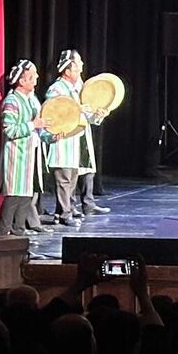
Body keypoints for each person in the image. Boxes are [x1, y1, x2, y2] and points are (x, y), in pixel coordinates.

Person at [41, 50, 105, 226]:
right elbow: (54, 113)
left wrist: (97, 114)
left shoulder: (77, 88)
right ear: (67, 71)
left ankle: (68, 209)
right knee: (64, 179)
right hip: (62, 140)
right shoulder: (57, 89)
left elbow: (86, 115)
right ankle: (64, 214)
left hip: (75, 141)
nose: (80, 69)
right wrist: (77, 109)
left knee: (71, 179)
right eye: (76, 67)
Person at [0, 60, 48, 236]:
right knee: (13, 198)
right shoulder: (12, 101)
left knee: (26, 197)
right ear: (22, 81)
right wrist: (32, 124)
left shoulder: (31, 100)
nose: (36, 78)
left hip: (29, 156)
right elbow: (9, 130)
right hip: (16, 157)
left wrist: (52, 136)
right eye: (32, 76)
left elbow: (39, 129)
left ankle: (19, 232)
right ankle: (2, 235)